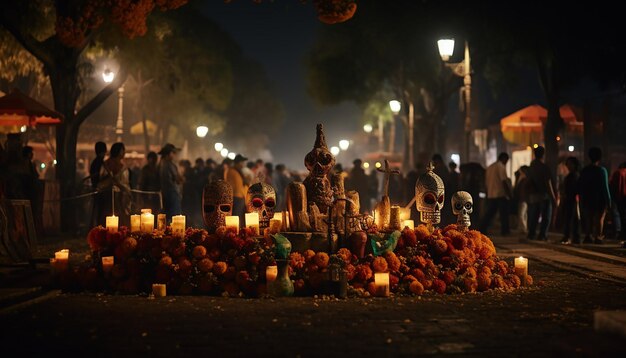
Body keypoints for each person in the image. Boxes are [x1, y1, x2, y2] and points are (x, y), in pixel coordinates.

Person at [578, 147, 611, 244]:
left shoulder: (585, 170)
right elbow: (605, 187)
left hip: (587, 198)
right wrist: (608, 201)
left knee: (589, 218)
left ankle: (588, 236)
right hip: (599, 199)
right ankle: (598, 237)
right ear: (600, 158)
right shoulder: (602, 170)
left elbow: (581, 185)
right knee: (599, 218)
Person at [526, 146, 557, 241]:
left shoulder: (532, 166)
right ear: (543, 154)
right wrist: (553, 197)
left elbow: (528, 180)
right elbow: (548, 183)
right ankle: (542, 235)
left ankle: (531, 234)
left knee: (534, 215)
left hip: (533, 195)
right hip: (544, 195)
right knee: (546, 216)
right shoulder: (544, 167)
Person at [97, 142, 131, 226]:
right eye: (123, 150)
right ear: (119, 151)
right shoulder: (111, 165)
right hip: (115, 198)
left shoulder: (110, 164)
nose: (124, 153)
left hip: (116, 197)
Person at [479, 152, 512, 236]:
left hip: (491, 194)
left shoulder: (490, 167)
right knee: (504, 213)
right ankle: (505, 231)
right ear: (504, 158)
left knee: (490, 213)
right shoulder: (500, 166)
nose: (506, 163)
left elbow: (485, 182)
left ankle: (482, 227)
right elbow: (504, 181)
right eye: (506, 160)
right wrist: (509, 193)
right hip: (500, 194)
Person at [159, 143, 183, 221]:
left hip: (172, 193)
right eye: (173, 153)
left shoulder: (169, 164)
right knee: (173, 216)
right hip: (171, 193)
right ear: (168, 154)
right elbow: (169, 181)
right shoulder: (166, 165)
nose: (174, 155)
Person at [560, 157, 580, 244]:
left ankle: (573, 237)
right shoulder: (571, 175)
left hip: (572, 199)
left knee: (572, 218)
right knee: (569, 218)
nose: (567, 165)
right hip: (569, 199)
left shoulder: (575, 175)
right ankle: (569, 236)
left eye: (569, 163)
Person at [227, 154, 248, 219]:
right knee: (236, 216)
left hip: (241, 196)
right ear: (238, 163)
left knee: (239, 216)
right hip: (236, 197)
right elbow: (231, 185)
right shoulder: (231, 171)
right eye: (242, 162)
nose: (243, 164)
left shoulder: (238, 171)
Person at [513, 165, 530, 235]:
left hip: (524, 199)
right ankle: (523, 228)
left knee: (521, 214)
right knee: (523, 214)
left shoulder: (526, 179)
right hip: (522, 198)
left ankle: (522, 229)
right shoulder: (523, 179)